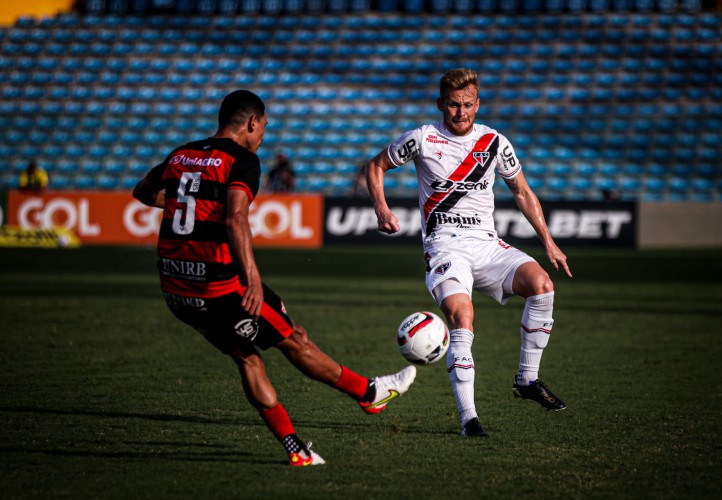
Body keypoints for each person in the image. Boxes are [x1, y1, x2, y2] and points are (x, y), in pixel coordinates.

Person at [133, 90, 416, 466]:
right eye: (263, 125)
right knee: (294, 340)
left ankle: (298, 450)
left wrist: (190, 207)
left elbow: (143, 192)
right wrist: (251, 279)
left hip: (176, 288)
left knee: (250, 360)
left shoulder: (181, 153)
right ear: (251, 122)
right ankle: (369, 393)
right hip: (221, 287)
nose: (264, 133)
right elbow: (236, 218)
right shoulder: (243, 160)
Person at [365, 69, 572, 438]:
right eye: (454, 105)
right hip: (445, 245)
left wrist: (548, 241)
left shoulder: (494, 142)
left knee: (542, 285)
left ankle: (527, 379)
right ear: (441, 104)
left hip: (488, 244)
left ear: (478, 104)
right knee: (463, 315)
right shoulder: (423, 139)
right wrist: (382, 208)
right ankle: (469, 420)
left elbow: (522, 192)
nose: (461, 112)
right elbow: (376, 165)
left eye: (468, 105)